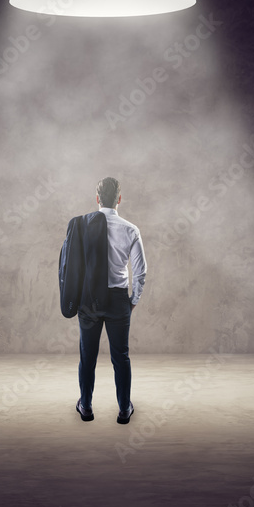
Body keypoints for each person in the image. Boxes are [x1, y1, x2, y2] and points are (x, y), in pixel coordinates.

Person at [76, 177, 146, 424]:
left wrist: (76, 298)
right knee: (121, 356)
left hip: (89, 299)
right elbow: (140, 272)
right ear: (119, 199)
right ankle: (124, 409)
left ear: (97, 199)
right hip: (118, 299)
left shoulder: (81, 226)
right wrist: (132, 301)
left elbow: (71, 267)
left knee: (88, 356)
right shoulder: (131, 229)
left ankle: (85, 406)